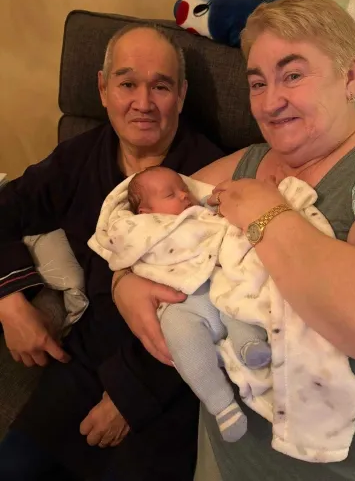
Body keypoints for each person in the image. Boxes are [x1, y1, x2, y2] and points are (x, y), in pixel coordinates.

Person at [112, 0, 355, 480]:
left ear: (351, 78)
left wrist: (266, 214)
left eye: (292, 75)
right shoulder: (247, 161)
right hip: (227, 456)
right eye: (257, 83)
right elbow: (137, 222)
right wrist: (123, 282)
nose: (270, 103)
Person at [0, 24, 223, 480]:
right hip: (83, 360)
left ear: (181, 95)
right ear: (103, 90)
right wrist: (9, 300)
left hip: (170, 372)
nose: (143, 103)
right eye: (127, 84)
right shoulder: (79, 158)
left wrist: (130, 395)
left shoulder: (210, 177)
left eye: (160, 86)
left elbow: (223, 305)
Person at [101, 166, 272, 442]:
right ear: (145, 212)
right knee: (180, 335)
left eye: (184, 189)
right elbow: (121, 249)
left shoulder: (203, 213)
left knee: (239, 298)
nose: (183, 195)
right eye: (171, 194)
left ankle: (249, 345)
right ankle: (222, 405)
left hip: (218, 280)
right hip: (183, 302)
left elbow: (226, 228)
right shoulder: (141, 228)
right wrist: (121, 280)